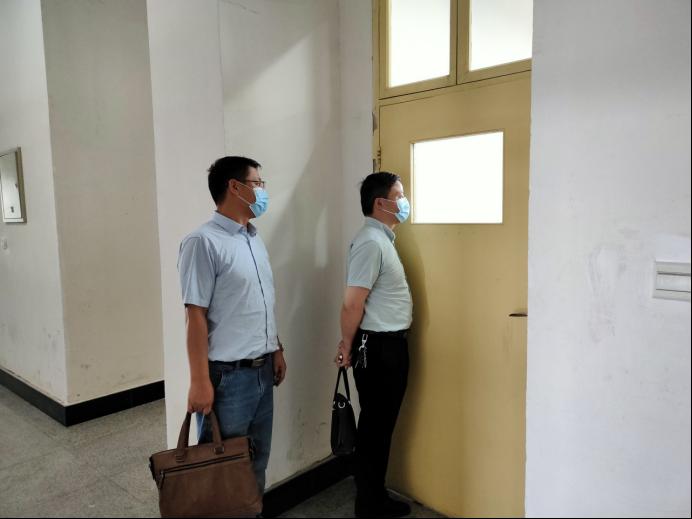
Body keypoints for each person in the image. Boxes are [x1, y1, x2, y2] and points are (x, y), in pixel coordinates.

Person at [178, 155, 287, 500]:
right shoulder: (202, 242)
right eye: (258, 183)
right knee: (221, 472)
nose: (263, 191)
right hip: (228, 379)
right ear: (235, 187)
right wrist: (199, 381)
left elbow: (258, 303)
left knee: (256, 462)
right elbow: (195, 316)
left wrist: (276, 347)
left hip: (262, 372)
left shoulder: (252, 238)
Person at [335, 171, 413, 518]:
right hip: (378, 349)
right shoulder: (370, 242)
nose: (405, 201)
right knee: (374, 429)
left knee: (379, 427)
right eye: (400, 195)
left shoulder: (381, 240)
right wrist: (346, 344)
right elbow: (353, 303)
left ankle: (374, 496)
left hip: (387, 346)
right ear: (381, 203)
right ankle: (369, 504)